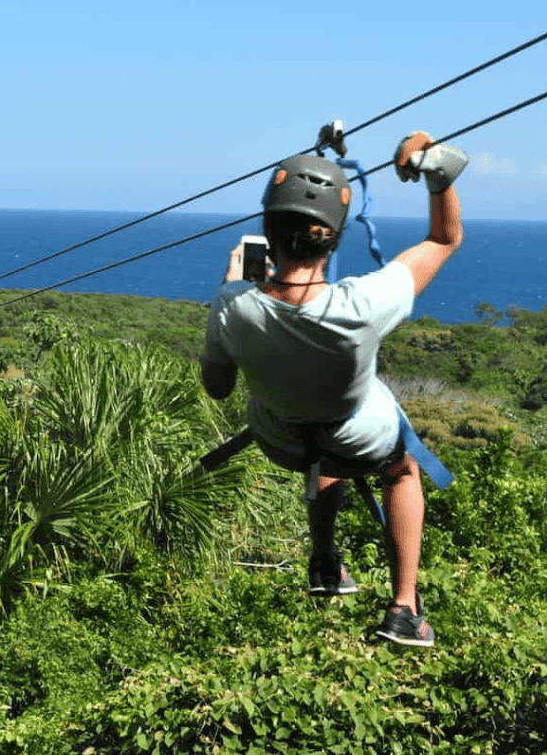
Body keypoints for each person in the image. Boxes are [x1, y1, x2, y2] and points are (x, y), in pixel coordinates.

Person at [200, 132, 466, 646]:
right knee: (400, 469)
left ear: (268, 230)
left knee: (316, 433)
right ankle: (405, 607)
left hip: (283, 440)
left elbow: (217, 387)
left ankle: (324, 560)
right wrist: (436, 172)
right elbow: (443, 240)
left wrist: (230, 290)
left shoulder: (232, 305)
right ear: (333, 237)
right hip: (353, 438)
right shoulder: (363, 303)